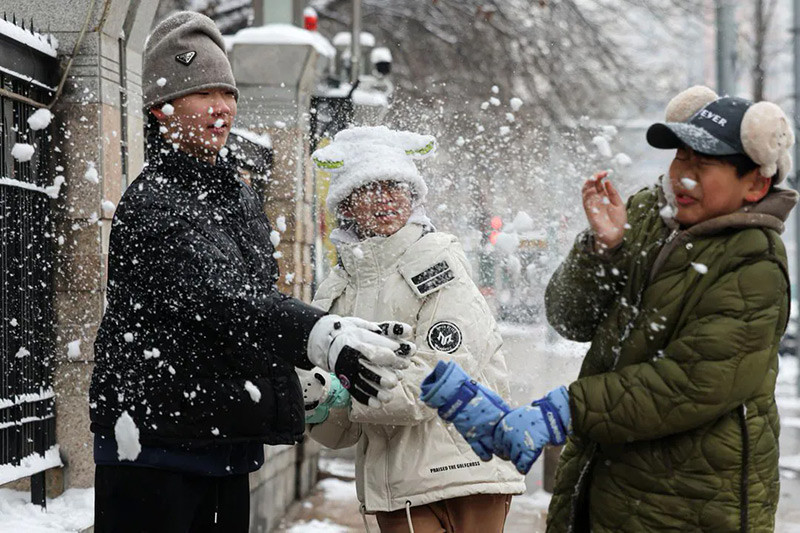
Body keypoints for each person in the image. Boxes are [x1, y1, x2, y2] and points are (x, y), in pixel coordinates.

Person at [420, 85, 797, 532]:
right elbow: (568, 317)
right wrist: (605, 249)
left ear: (755, 182)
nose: (684, 176)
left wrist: (567, 410)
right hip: (602, 478)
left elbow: (692, 383)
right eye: (681, 157)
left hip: (690, 502)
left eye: (705, 164)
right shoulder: (645, 217)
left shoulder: (754, 262)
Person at [89, 13, 412, 532]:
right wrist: (319, 335)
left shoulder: (235, 192)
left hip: (221, 443)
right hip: (154, 452)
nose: (222, 108)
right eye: (204, 93)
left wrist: (305, 375)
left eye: (228, 93)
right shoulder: (155, 205)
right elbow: (227, 302)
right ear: (160, 107)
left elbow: (251, 312)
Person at [298, 126, 525, 533]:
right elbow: (341, 430)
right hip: (396, 486)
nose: (385, 197)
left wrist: (344, 392)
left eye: (396, 186)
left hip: (466, 474)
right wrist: (317, 399)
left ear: (414, 196)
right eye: (369, 187)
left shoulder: (438, 262)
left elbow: (441, 377)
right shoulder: (336, 290)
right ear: (347, 203)